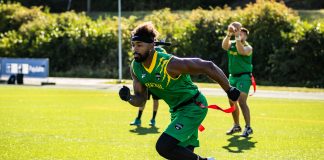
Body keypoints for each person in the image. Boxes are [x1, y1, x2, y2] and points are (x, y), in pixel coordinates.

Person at [119, 21, 241, 160]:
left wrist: (229, 89)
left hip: (193, 107)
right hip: (177, 112)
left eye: (139, 45)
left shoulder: (169, 64)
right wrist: (129, 97)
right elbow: (140, 99)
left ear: (152, 45)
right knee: (182, 156)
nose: (135, 49)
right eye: (133, 45)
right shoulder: (136, 67)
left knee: (163, 146)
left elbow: (208, 66)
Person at [221, 22, 254, 137]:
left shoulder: (248, 47)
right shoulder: (233, 43)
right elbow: (224, 46)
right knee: (231, 101)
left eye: (243, 34)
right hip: (232, 76)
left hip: (244, 77)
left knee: (241, 101)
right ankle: (236, 125)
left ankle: (248, 127)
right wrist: (229, 34)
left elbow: (241, 51)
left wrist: (237, 37)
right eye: (240, 32)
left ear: (246, 36)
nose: (241, 34)